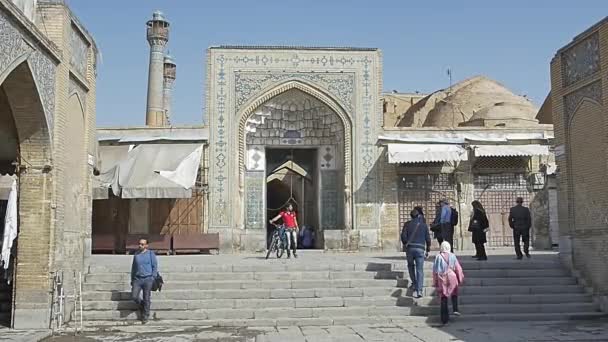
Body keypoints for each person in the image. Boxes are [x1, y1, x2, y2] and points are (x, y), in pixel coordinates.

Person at [401, 209, 431, 298]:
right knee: (420, 269)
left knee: (410, 266)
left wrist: (405, 243)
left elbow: (403, 236)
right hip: (420, 249)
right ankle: (419, 290)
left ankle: (414, 283)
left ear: (411, 216)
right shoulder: (424, 225)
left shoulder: (407, 224)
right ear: (418, 216)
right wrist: (428, 249)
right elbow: (428, 239)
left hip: (410, 248)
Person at [432, 241, 464, 325]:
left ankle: (444, 318)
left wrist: (435, 282)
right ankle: (455, 309)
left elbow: (435, 271)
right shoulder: (453, 256)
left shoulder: (438, 257)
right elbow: (458, 268)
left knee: (444, 297)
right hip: (452, 276)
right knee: (454, 293)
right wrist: (460, 278)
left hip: (442, 277)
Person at [130, 238, 158, 324]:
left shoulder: (150, 254)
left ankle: (145, 315)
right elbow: (133, 268)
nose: (140, 245)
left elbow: (155, 266)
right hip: (137, 279)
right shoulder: (136, 254)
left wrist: (153, 277)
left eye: (142, 244)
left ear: (146, 245)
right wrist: (132, 279)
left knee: (147, 298)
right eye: (139, 244)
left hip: (148, 279)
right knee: (134, 296)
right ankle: (143, 305)